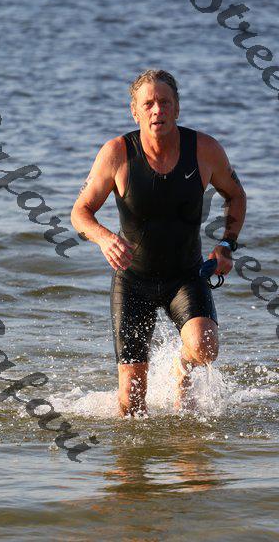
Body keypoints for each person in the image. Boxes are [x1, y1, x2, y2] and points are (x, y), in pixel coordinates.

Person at [71, 70, 246, 417]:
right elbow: (80, 212)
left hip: (186, 275)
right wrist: (105, 238)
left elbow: (236, 195)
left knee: (205, 346)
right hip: (133, 280)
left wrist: (227, 244)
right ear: (134, 112)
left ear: (177, 108)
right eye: (148, 103)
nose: (157, 110)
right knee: (131, 404)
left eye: (165, 102)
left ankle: (183, 367)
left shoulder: (205, 150)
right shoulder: (117, 153)